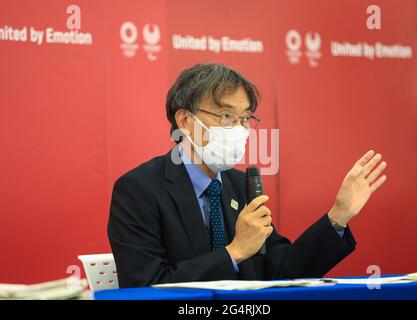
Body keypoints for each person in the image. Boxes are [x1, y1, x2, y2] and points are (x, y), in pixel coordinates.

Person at [108, 63, 387, 288]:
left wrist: (338, 217)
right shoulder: (138, 190)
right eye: (226, 116)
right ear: (184, 121)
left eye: (245, 119)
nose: (239, 130)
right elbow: (145, 288)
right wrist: (234, 252)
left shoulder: (239, 185)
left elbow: (282, 270)